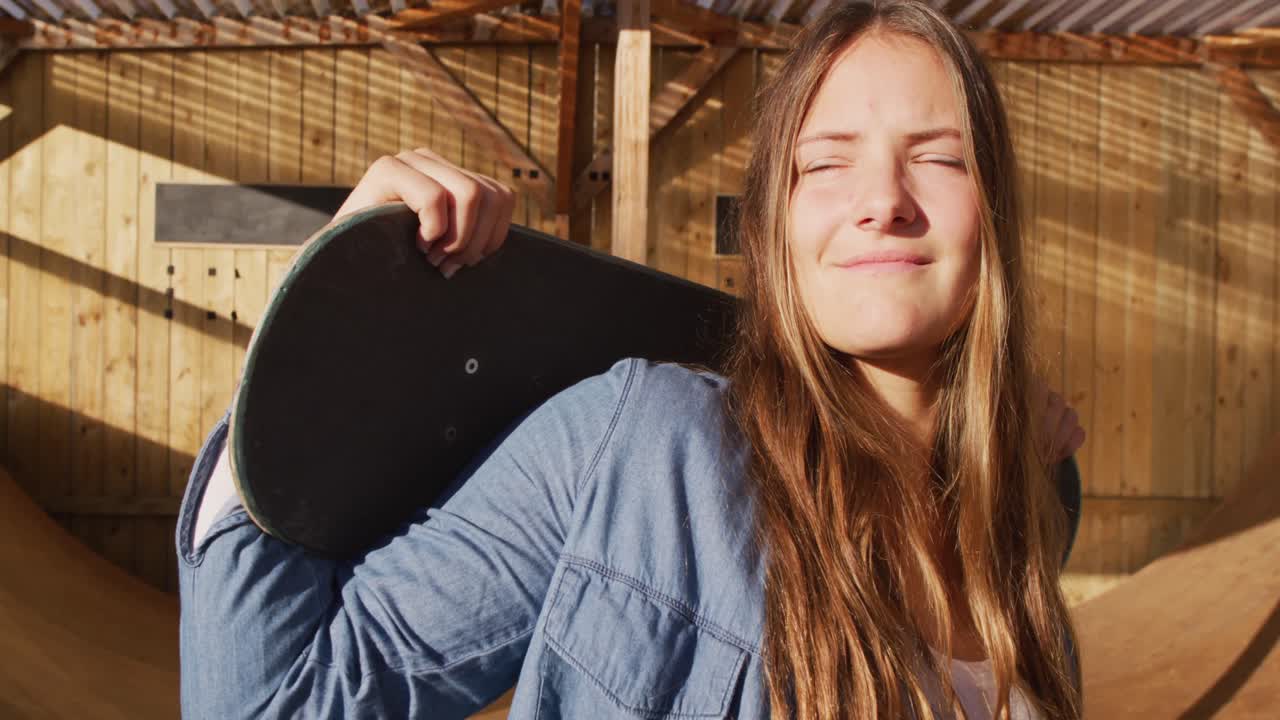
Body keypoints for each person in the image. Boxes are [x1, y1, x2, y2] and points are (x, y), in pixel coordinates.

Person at [178, 1, 1087, 718]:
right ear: (772, 230)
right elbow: (276, 704)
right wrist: (319, 338)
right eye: (826, 165)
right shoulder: (643, 448)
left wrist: (996, 426)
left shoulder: (1020, 542)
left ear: (993, 220)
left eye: (937, 158)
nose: (883, 201)